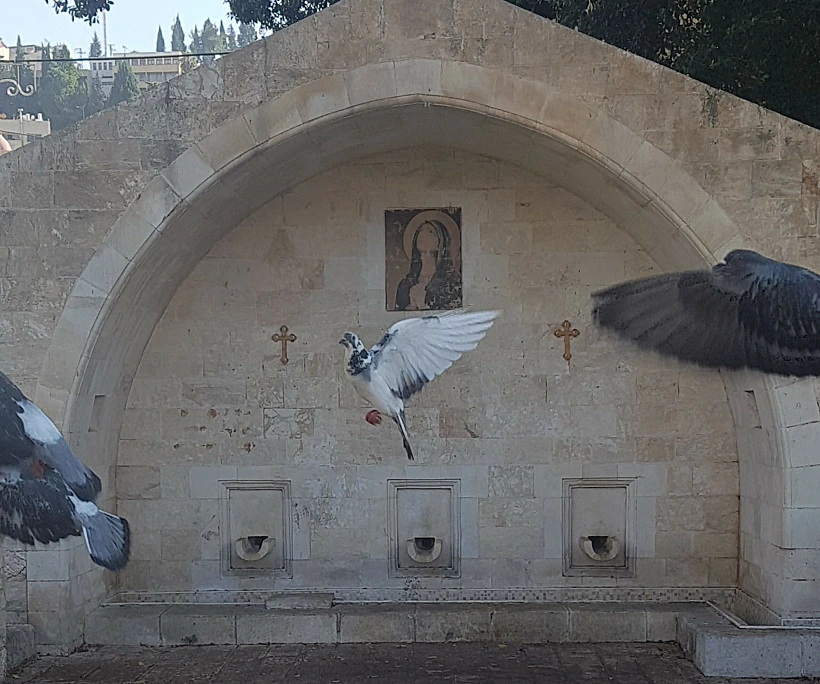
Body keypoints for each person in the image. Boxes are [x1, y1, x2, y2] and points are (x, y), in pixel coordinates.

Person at [395, 219, 461, 311]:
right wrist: (412, 307)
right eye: (420, 231)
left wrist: (423, 305)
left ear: (440, 243)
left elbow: (454, 318)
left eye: (430, 232)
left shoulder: (452, 283)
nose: (422, 234)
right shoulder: (405, 284)